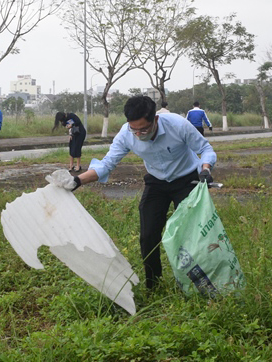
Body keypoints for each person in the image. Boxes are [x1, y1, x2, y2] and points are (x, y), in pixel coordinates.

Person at [51, 95, 217, 289]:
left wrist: (205, 169)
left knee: (189, 234)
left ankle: (199, 283)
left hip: (187, 179)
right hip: (156, 182)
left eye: (144, 129)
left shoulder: (177, 124)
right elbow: (106, 165)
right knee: (148, 235)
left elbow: (205, 148)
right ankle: (153, 284)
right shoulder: (126, 134)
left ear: (155, 119)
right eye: (134, 129)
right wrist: (77, 181)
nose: (139, 134)